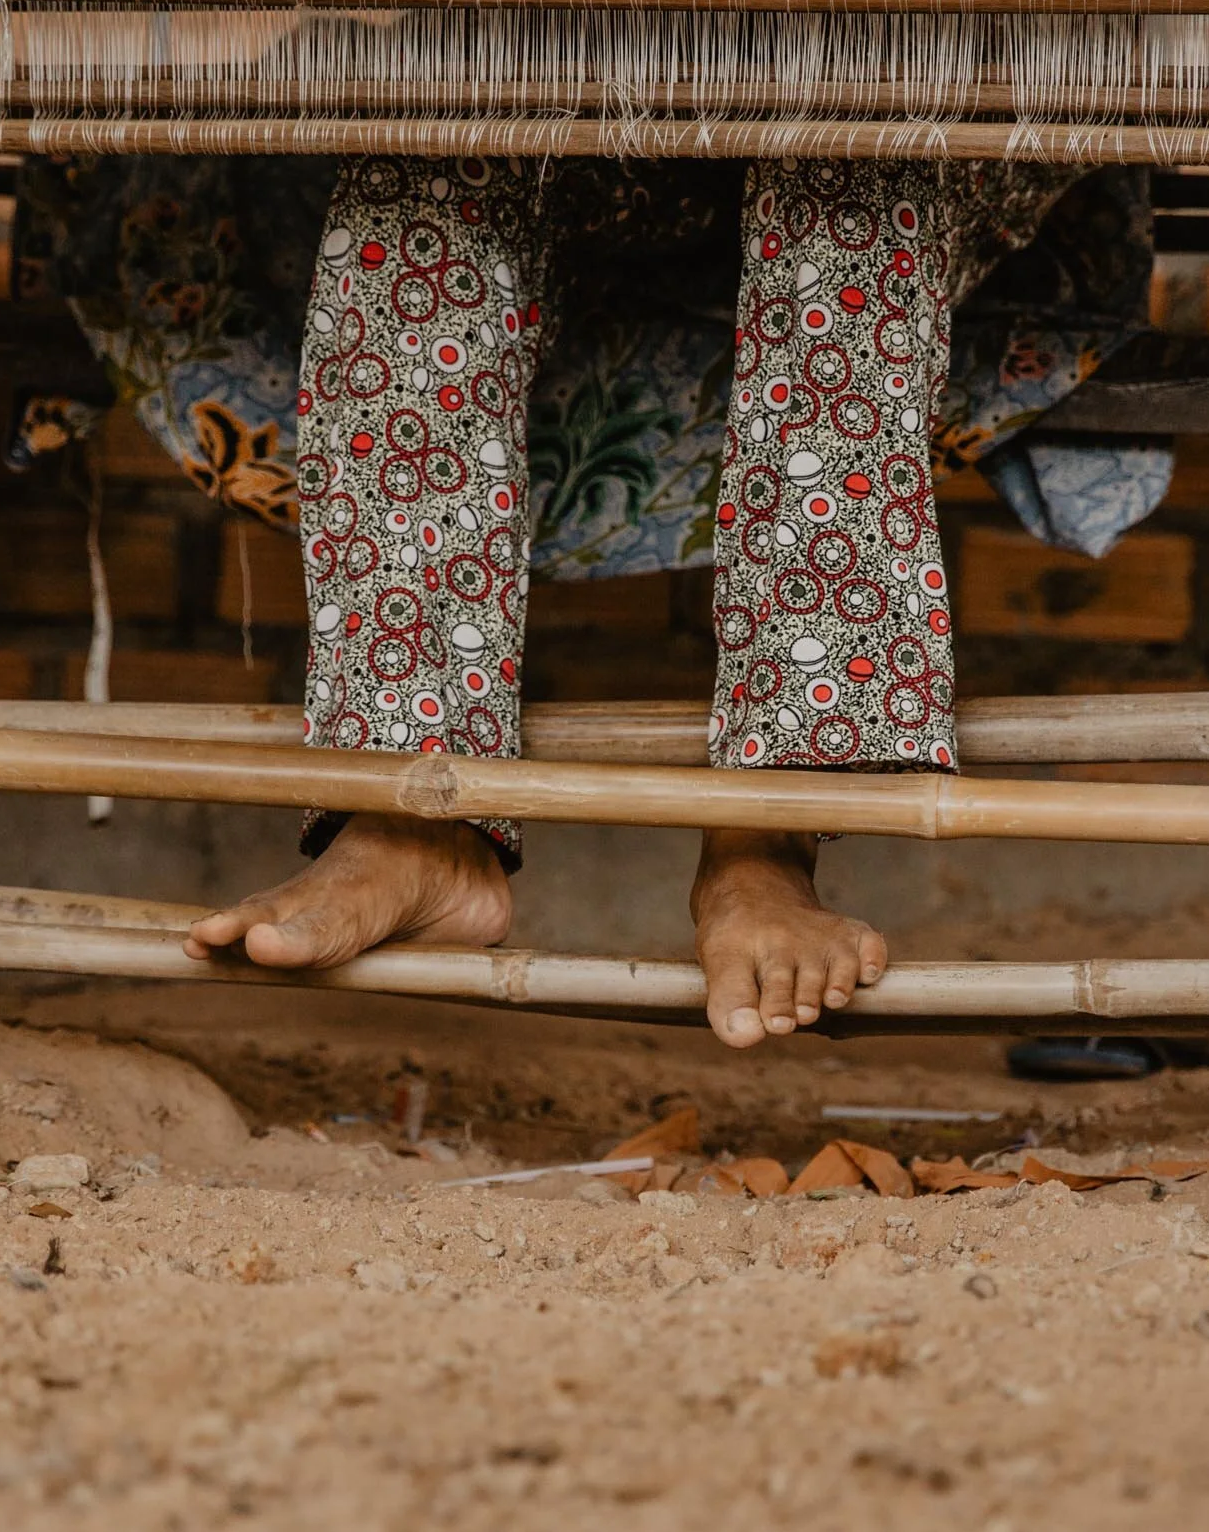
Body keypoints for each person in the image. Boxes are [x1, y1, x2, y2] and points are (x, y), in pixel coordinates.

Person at [178, 154, 1079, 1045]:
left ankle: (764, 836)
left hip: (873, 105)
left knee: (847, 157)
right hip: (585, 115)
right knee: (427, 179)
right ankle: (412, 820)